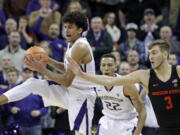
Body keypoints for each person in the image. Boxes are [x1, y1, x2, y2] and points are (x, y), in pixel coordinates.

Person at [0, 11, 96, 135]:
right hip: (70, 92)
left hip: (83, 97)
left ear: (80, 29)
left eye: (70, 27)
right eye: (65, 27)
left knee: (82, 134)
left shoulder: (80, 47)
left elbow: (66, 81)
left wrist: (42, 69)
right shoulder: (71, 43)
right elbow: (67, 69)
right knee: (32, 83)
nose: (66, 30)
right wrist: (48, 60)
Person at [67, 39, 180, 135]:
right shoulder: (144, 75)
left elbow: (141, 111)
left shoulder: (178, 71)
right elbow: (111, 80)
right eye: (149, 53)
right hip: (164, 129)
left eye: (154, 53)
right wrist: (81, 74)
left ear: (165, 54)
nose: (151, 57)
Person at [94, 54, 146, 135]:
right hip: (107, 122)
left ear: (115, 67)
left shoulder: (127, 85)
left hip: (127, 123)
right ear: (100, 67)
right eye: (103, 65)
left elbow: (142, 112)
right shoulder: (96, 83)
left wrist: (137, 132)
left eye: (110, 65)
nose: (106, 68)